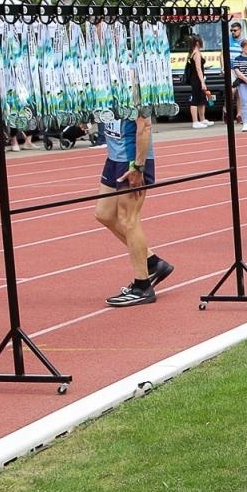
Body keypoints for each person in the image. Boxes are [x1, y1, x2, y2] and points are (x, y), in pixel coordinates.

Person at [94, 72, 174, 307]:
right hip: (114, 156)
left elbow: (145, 126)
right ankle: (153, 263)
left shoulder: (134, 80)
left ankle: (142, 286)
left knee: (129, 219)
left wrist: (138, 165)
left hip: (131, 159)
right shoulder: (104, 75)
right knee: (104, 214)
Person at [185, 37, 211, 128]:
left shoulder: (192, 53)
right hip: (196, 79)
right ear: (197, 43)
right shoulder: (196, 54)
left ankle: (202, 119)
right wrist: (202, 82)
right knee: (195, 99)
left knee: (202, 99)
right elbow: (198, 68)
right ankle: (195, 121)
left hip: (196, 79)